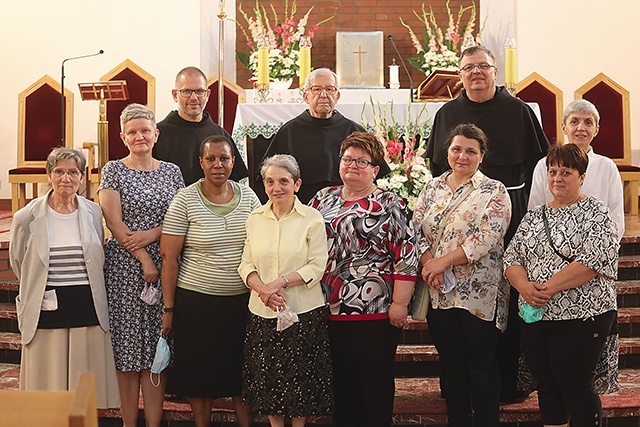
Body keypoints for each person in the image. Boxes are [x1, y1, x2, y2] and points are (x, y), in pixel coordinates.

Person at [425, 45, 549, 401]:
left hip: (510, 216)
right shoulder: (447, 113)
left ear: (495, 71)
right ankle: (460, 387)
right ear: (459, 74)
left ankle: (506, 384)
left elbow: (537, 167)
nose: (476, 73)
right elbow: (438, 170)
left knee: (507, 300)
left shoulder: (520, 111)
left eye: (483, 67)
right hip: (458, 223)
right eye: (468, 68)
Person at [504, 143, 619, 426]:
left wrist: (545, 288)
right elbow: (511, 257)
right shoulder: (533, 217)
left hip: (583, 316)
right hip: (537, 314)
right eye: (552, 171)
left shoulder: (597, 213)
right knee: (547, 387)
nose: (557, 178)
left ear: (581, 177)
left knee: (576, 386)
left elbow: (593, 261)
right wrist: (524, 287)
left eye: (566, 172)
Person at [310, 132, 418, 427]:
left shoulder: (390, 202)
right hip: (329, 306)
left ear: (375, 168)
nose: (353, 166)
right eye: (347, 159)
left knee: (374, 382)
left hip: (375, 308)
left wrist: (400, 303)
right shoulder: (323, 198)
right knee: (341, 382)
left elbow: (406, 254)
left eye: (361, 161)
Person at [412, 124, 511, 426]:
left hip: (479, 292)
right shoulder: (432, 188)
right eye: (457, 149)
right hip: (439, 290)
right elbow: (415, 229)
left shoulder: (494, 190)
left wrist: (444, 262)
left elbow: (489, 236)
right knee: (451, 364)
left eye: (471, 151)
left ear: (482, 156)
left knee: (480, 364)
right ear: (448, 151)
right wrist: (430, 263)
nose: (462, 156)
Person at [160, 135, 260, 427]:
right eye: (211, 159)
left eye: (225, 159)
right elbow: (169, 258)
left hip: (242, 301)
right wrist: (169, 308)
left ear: (233, 162)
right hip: (197, 302)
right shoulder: (185, 200)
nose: (218, 165)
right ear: (201, 162)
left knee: (241, 373)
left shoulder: (249, 197)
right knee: (199, 376)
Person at [9, 147, 119, 408]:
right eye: (59, 172)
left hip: (86, 305)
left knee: (83, 391)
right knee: (48, 389)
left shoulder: (93, 212)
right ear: (49, 175)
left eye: (72, 172)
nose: (65, 179)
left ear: (82, 177)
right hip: (47, 307)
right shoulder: (26, 217)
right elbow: (18, 263)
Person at [99, 103, 185, 427]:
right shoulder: (113, 170)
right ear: (123, 136)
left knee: (156, 350)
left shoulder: (171, 171)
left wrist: (152, 235)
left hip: (166, 266)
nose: (139, 136)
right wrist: (144, 257)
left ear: (156, 133)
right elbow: (113, 219)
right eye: (132, 132)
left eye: (145, 131)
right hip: (124, 269)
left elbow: (179, 217)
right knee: (126, 352)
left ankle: (153, 423)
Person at [239, 154, 332, 427]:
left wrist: (279, 283)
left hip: (302, 312)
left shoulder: (312, 219)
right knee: (269, 380)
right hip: (262, 311)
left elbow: (317, 265)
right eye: (269, 181)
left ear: (297, 183)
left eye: (283, 181)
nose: (276, 187)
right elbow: (245, 264)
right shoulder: (255, 218)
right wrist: (263, 291)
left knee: (299, 381)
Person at [256, 68, 390, 204]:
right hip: (302, 207)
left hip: (350, 205)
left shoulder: (354, 131)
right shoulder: (289, 132)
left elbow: (378, 175)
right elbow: (269, 177)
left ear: (337, 96)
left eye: (330, 89)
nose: (323, 95)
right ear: (305, 96)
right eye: (316, 89)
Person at [529, 99, 624, 239]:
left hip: (595, 248)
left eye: (588, 122)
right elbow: (534, 212)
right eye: (574, 121)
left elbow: (616, 218)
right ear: (564, 127)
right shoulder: (544, 165)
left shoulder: (607, 167)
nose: (581, 128)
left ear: (596, 130)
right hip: (552, 247)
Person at [153, 66, 248, 185]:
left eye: (199, 91)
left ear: (207, 94)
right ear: (175, 95)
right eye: (186, 91)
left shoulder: (220, 135)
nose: (193, 98)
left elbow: (233, 183)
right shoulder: (158, 134)